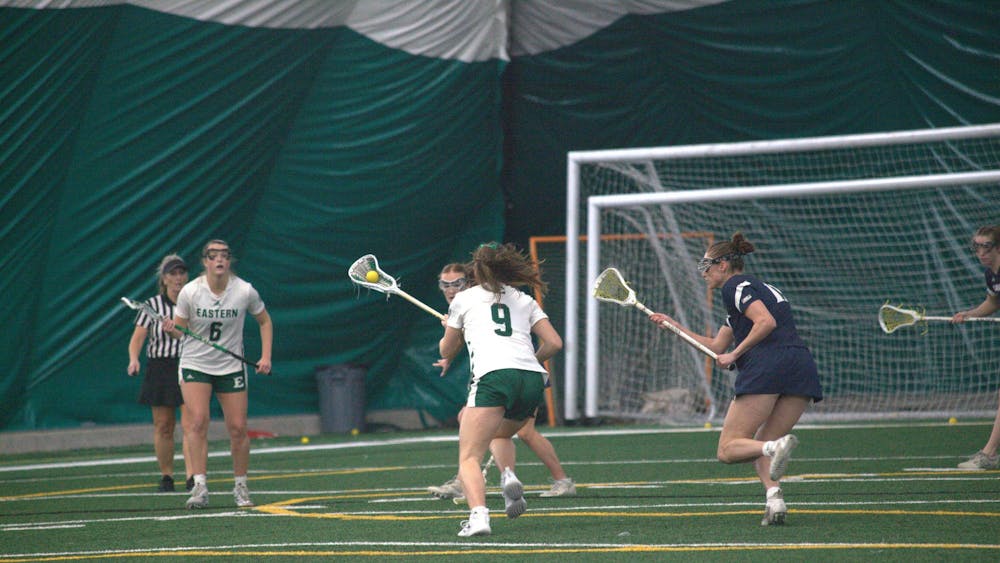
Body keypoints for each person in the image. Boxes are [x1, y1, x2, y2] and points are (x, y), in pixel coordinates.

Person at [646, 232, 822, 526]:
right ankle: (774, 498)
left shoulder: (734, 286)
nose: (703, 273)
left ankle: (772, 449)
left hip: (768, 365)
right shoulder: (757, 289)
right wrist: (675, 326)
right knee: (764, 442)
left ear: (723, 265)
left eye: (707, 265)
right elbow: (716, 347)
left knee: (728, 449)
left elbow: (766, 322)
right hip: (800, 365)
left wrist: (736, 353)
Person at [439, 243, 563, 537]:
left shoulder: (465, 298)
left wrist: (450, 326)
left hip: (494, 376)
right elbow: (554, 343)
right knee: (500, 432)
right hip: (532, 378)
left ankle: (479, 516)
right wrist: (527, 362)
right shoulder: (523, 299)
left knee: (469, 457)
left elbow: (446, 348)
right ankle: (508, 476)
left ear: (476, 269)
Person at [168, 239, 273, 509]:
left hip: (230, 366)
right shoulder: (191, 292)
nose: (219, 260)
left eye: (224, 255)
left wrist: (265, 356)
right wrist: (172, 328)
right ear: (205, 261)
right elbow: (180, 331)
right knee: (198, 421)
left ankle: (241, 486)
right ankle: (200, 486)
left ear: (229, 261)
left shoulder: (244, 291)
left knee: (238, 428)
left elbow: (264, 321)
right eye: (213, 256)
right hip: (196, 363)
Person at [127, 254, 193, 492]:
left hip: (188, 363)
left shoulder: (194, 301)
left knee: (190, 423)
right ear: (164, 278)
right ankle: (167, 475)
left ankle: (192, 476)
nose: (178, 278)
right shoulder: (152, 305)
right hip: (160, 367)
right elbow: (138, 337)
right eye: (172, 273)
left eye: (181, 273)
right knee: (164, 425)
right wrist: (134, 359)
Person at [952, 225, 1000, 470]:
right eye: (976, 247)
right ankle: (990, 453)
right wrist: (968, 314)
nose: (981, 252)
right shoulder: (991, 274)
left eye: (986, 246)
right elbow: (992, 303)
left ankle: (989, 454)